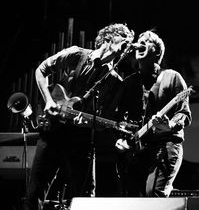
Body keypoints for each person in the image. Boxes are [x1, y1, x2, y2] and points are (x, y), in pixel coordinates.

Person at [22, 23, 135, 210]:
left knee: (85, 198)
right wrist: (49, 100)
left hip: (81, 140)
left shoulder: (116, 81)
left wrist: (88, 123)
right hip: (53, 131)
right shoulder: (77, 54)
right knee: (34, 194)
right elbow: (41, 70)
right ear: (108, 38)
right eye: (125, 40)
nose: (128, 45)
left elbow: (102, 121)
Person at [114, 29, 192, 197]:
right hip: (137, 150)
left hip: (165, 145)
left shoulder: (172, 77)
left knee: (154, 193)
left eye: (146, 41)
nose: (140, 43)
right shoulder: (129, 83)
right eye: (139, 41)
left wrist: (169, 124)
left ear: (157, 53)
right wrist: (120, 138)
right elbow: (119, 118)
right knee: (132, 197)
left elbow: (184, 113)